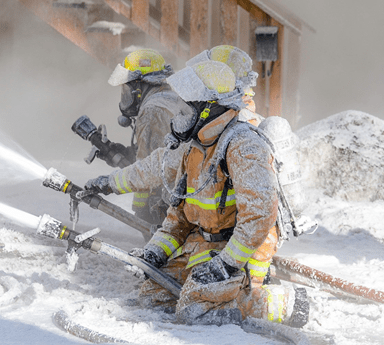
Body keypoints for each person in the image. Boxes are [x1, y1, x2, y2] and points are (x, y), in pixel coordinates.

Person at [86, 46, 279, 287]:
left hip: (240, 248)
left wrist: (228, 264)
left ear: (208, 102)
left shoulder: (240, 138)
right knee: (154, 290)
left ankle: (271, 302)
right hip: (207, 238)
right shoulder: (200, 138)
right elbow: (161, 166)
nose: (179, 115)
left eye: (187, 107)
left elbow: (260, 213)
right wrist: (111, 183)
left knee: (196, 303)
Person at [105, 48, 192, 225]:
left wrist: (141, 209)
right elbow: (164, 151)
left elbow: (150, 169)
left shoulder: (153, 111)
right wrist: (129, 152)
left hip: (167, 205)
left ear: (139, 87)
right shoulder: (171, 98)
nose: (125, 94)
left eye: (127, 87)